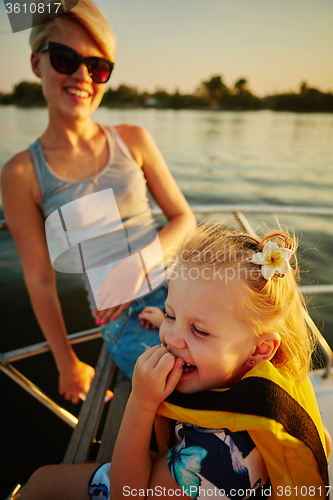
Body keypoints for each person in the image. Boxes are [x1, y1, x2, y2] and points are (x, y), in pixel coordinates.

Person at [17, 223, 329, 499]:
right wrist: (178, 321)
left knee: (42, 482)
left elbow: (127, 494)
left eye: (200, 330)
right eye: (171, 313)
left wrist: (141, 402)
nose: (169, 338)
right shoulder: (272, 374)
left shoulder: (219, 456)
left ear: (259, 350)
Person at [1, 0, 196, 403]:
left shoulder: (134, 139)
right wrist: (66, 362)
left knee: (250, 360)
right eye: (65, 58)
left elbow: (183, 218)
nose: (82, 77)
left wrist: (134, 269)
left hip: (189, 286)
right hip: (122, 316)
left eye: (98, 67)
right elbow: (39, 279)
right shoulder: (22, 173)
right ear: (38, 64)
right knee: (187, 390)